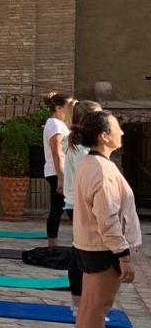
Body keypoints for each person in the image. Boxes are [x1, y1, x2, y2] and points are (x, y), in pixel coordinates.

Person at [71, 110, 140, 328]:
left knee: (90, 306)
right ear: (104, 136)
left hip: (90, 245)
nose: (122, 132)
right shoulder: (101, 169)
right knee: (97, 308)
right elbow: (108, 219)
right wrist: (123, 256)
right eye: (117, 128)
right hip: (102, 248)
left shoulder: (92, 163)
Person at [63, 99, 103, 314]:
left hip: (76, 203)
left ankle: (79, 303)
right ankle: (80, 304)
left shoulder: (76, 146)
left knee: (80, 251)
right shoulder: (80, 151)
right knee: (84, 254)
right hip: (81, 205)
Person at [42, 91, 74, 247]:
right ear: (59, 107)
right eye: (69, 106)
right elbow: (57, 153)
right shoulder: (54, 124)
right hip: (57, 172)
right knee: (61, 208)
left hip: (62, 171)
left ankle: (53, 243)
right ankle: (52, 244)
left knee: (61, 207)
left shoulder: (61, 124)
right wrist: (61, 178)